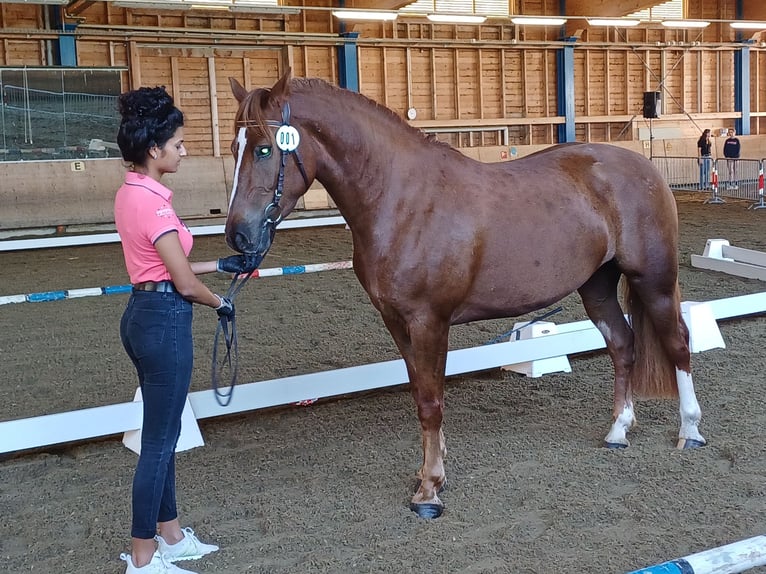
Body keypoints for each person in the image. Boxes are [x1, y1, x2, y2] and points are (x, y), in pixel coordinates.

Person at [114, 86, 256, 574]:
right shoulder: (154, 205)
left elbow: (166, 264)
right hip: (165, 321)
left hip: (141, 314)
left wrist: (224, 263)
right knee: (157, 443)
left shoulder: (132, 192)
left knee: (164, 431)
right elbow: (184, 283)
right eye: (177, 144)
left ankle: (171, 537)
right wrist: (221, 302)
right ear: (154, 150)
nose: (183, 149)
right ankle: (142, 555)